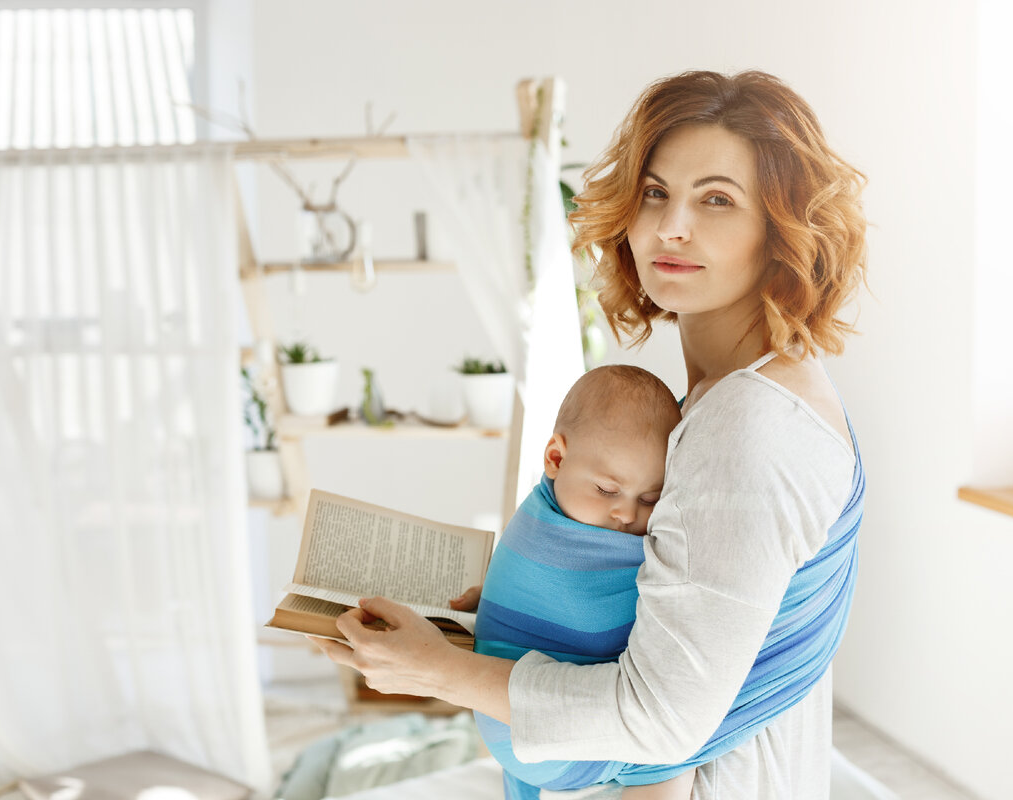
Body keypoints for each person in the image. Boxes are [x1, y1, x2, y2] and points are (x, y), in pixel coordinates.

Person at [312, 69, 868, 800]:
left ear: (783, 230)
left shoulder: (748, 426)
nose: (671, 226)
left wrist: (437, 671)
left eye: (718, 200)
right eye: (655, 192)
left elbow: (662, 717)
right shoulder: (739, 393)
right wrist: (535, 602)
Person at [469, 363, 693, 800]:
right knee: (676, 747)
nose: (627, 515)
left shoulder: (542, 507)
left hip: (508, 733)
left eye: (651, 499)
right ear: (555, 458)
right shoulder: (574, 543)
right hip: (551, 741)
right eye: (608, 491)